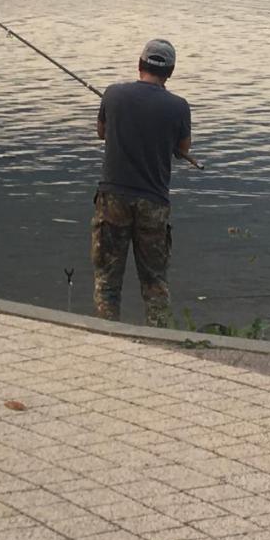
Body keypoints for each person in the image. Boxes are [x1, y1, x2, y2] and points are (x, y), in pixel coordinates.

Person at [92, 38, 192, 327]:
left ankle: (107, 337)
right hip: (154, 203)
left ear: (140, 65)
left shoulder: (112, 95)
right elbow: (183, 149)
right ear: (170, 72)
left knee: (107, 279)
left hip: (112, 199)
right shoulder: (179, 107)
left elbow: (102, 133)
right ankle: (159, 343)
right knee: (154, 281)